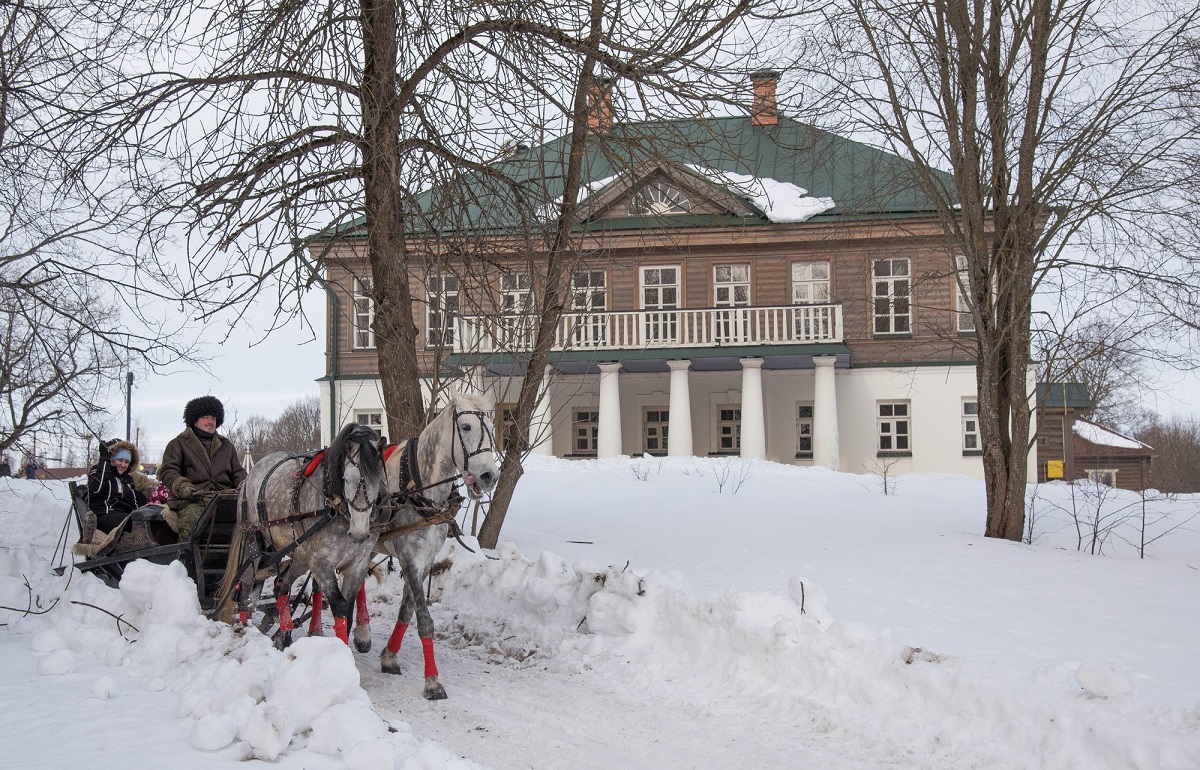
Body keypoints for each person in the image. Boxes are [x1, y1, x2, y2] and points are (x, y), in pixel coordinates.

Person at [158, 396, 247, 539]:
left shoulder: (227, 445)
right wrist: (183, 486)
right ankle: (186, 559)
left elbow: (237, 471)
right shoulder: (177, 444)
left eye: (214, 418)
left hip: (226, 498)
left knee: (252, 519)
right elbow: (169, 471)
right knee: (193, 523)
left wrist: (245, 484)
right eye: (206, 417)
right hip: (191, 500)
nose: (211, 422)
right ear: (194, 419)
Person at [85, 439, 159, 536]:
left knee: (153, 521)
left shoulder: (127, 479)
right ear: (111, 459)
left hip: (125, 516)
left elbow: (135, 503)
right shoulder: (98, 471)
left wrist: (154, 499)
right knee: (135, 522)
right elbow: (97, 488)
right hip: (104, 516)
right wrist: (104, 459)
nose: (123, 465)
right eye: (120, 460)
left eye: (126, 462)